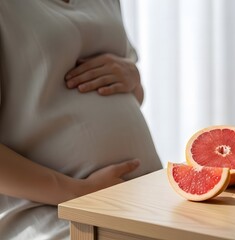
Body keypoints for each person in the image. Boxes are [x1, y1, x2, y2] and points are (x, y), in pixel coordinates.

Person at [0, 0, 163, 239]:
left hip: (149, 208)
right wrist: (77, 193)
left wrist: (133, 77)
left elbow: (128, 98)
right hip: (60, 220)